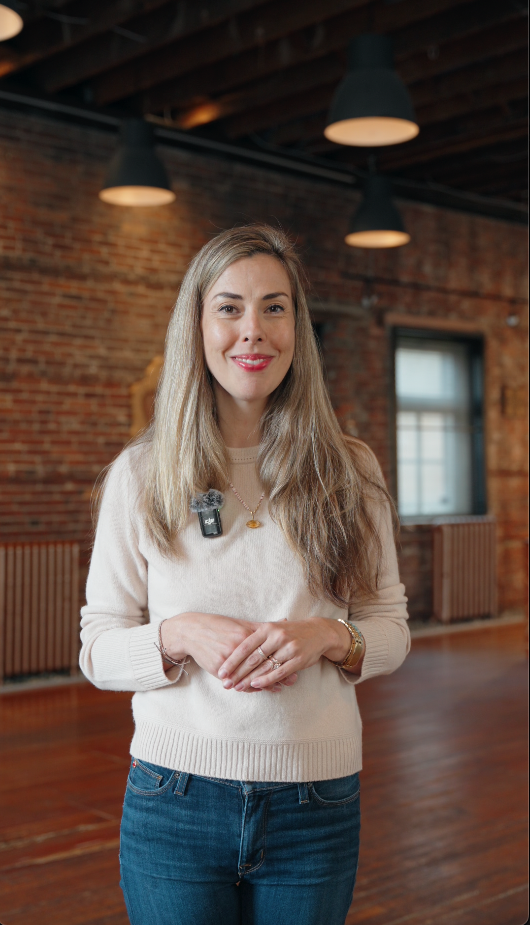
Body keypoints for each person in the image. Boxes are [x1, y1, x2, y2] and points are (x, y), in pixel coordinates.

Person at [80, 224, 409, 925]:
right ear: (196, 326)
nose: (252, 331)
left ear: (298, 326)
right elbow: (98, 648)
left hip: (315, 802)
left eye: (275, 307)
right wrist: (176, 634)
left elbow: (391, 627)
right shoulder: (141, 474)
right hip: (174, 801)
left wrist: (329, 635)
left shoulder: (350, 468)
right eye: (229, 307)